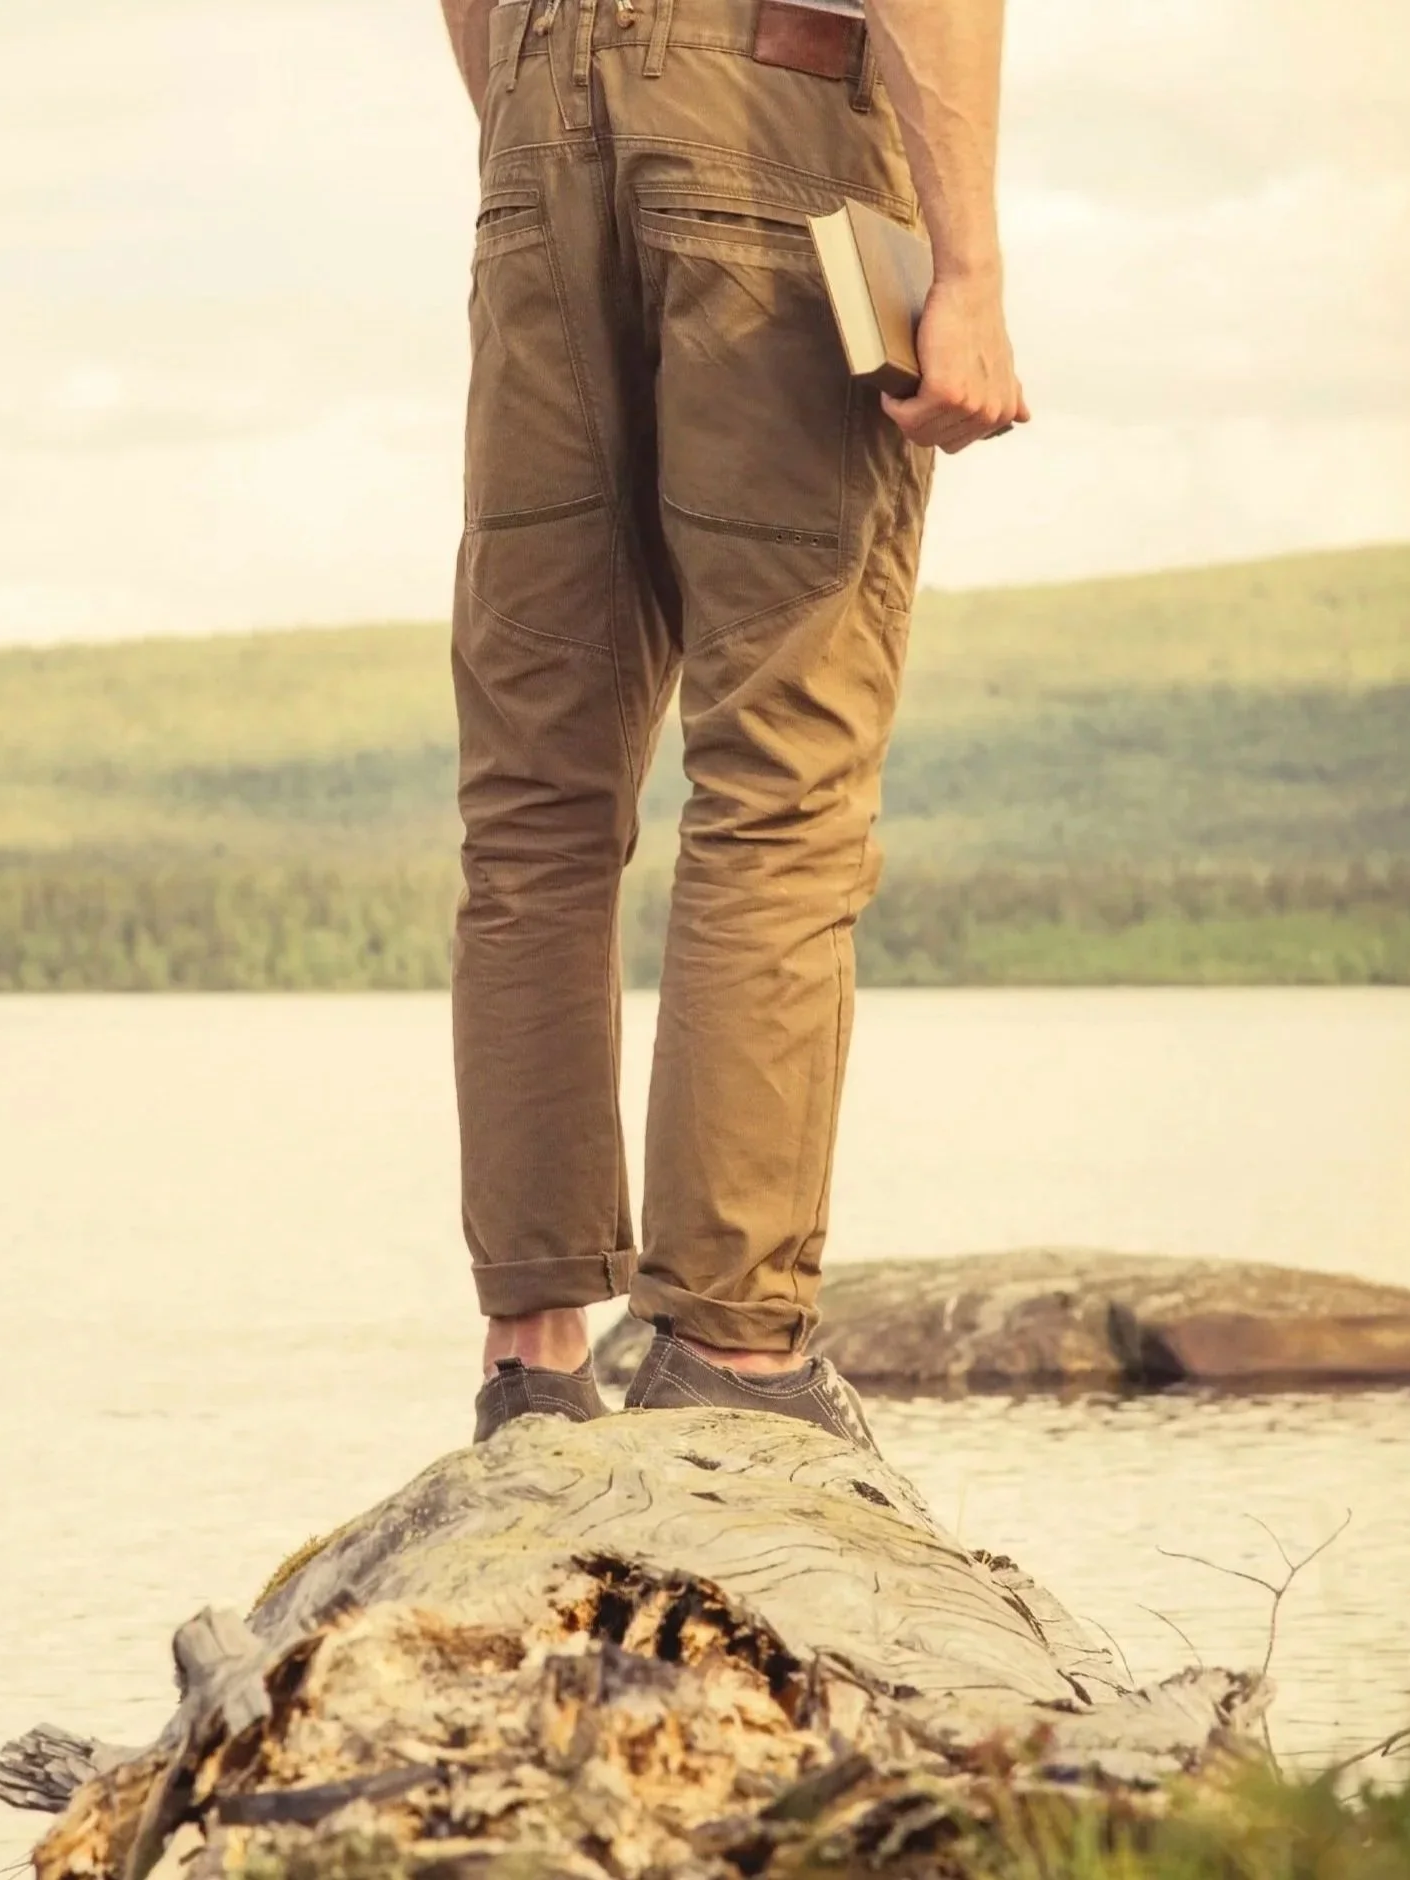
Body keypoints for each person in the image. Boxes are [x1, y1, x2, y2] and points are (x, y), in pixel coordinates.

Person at [439, 0, 1027, 1444]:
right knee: (784, 767)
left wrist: (560, 129)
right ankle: (733, 1352)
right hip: (771, 99)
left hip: (533, 117)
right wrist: (970, 267)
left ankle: (536, 1357)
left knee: (536, 787)